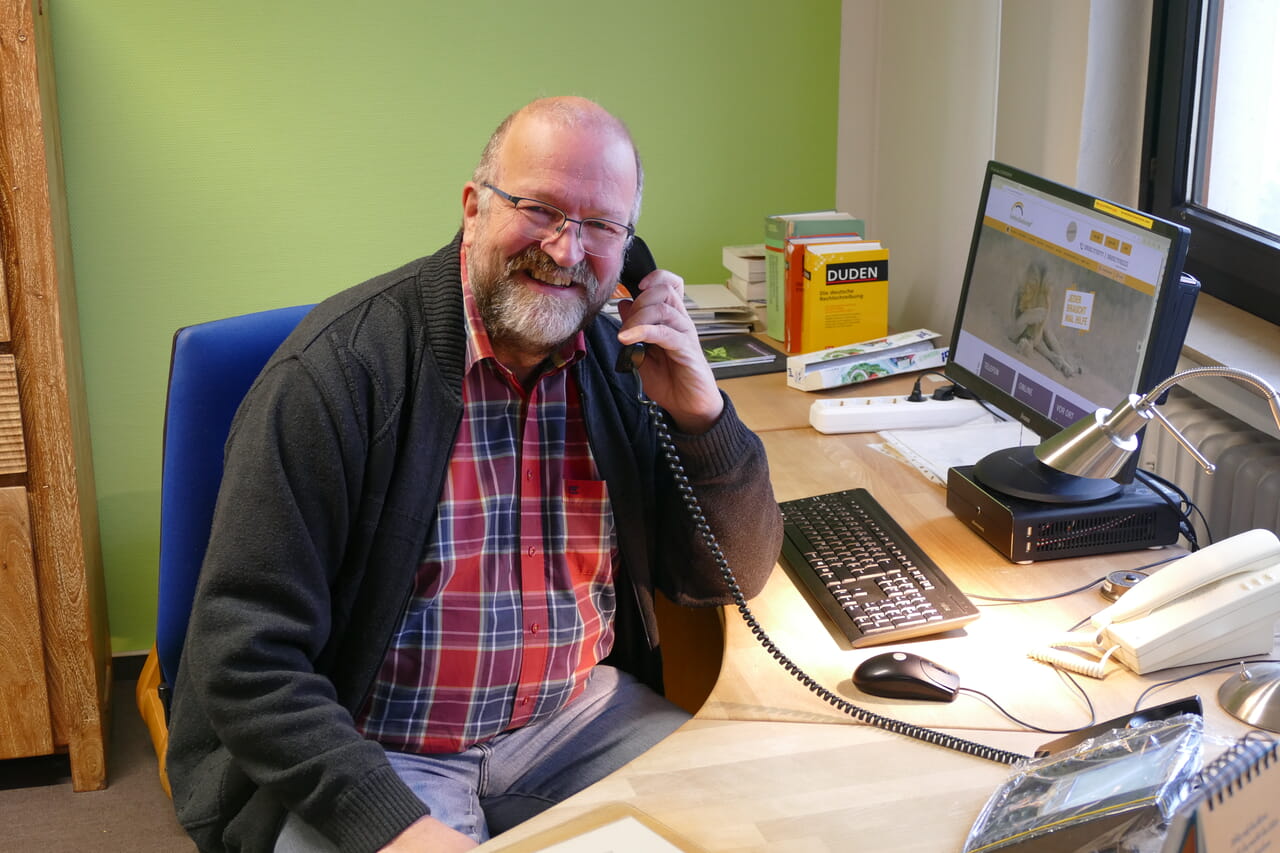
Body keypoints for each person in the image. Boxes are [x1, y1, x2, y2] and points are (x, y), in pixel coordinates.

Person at [166, 95, 782, 853]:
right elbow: (242, 654)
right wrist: (390, 826)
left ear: (631, 250)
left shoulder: (623, 366)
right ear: (473, 208)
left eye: (600, 227)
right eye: (541, 209)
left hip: (572, 723)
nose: (565, 250)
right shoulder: (339, 374)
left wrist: (702, 415)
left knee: (747, 826)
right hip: (376, 745)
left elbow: (734, 573)